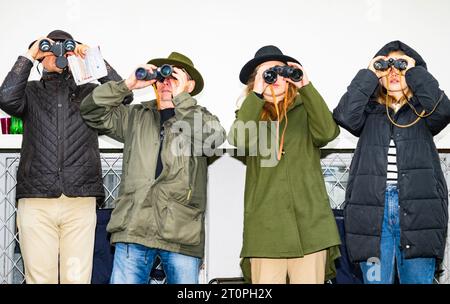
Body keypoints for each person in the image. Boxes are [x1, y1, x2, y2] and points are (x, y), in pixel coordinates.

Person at [80, 51, 226, 284]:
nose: (166, 81)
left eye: (175, 76)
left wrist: (181, 101)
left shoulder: (198, 117)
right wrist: (126, 85)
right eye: (162, 76)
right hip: (134, 226)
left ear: (190, 85)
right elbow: (91, 111)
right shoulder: (136, 116)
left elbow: (214, 138)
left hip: (181, 232)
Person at [0, 30, 128, 284]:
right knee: (39, 279)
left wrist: (89, 56)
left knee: (77, 279)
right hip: (37, 201)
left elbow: (124, 97)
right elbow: (5, 98)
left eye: (63, 48)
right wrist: (31, 53)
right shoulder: (29, 92)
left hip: (80, 200)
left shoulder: (89, 93)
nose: (56, 53)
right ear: (39, 57)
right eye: (50, 48)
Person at [333, 40, 450, 284]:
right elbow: (344, 116)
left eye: (401, 66)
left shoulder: (425, 111)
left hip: (420, 212)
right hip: (372, 213)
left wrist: (415, 71)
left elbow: (444, 111)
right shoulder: (368, 112)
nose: (394, 71)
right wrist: (369, 74)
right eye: (387, 66)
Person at [228, 45, 341, 284]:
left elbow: (328, 132)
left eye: (280, 71)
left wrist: (306, 88)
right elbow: (239, 141)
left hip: (310, 228)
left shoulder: (306, 110)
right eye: (266, 73)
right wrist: (257, 95)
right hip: (266, 231)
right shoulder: (249, 114)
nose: (275, 78)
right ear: (254, 81)